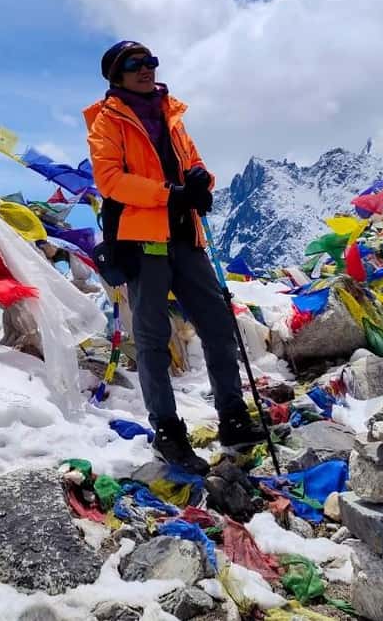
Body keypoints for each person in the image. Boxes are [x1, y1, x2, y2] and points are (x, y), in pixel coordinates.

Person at [84, 40, 265, 474]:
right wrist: (171, 195)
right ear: (116, 76)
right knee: (151, 340)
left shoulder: (171, 114)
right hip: (144, 241)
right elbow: (111, 181)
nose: (146, 69)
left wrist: (201, 180)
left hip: (187, 237)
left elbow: (194, 163)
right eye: (134, 64)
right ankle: (167, 430)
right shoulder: (107, 122)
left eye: (150, 62)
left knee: (219, 327)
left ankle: (233, 417)